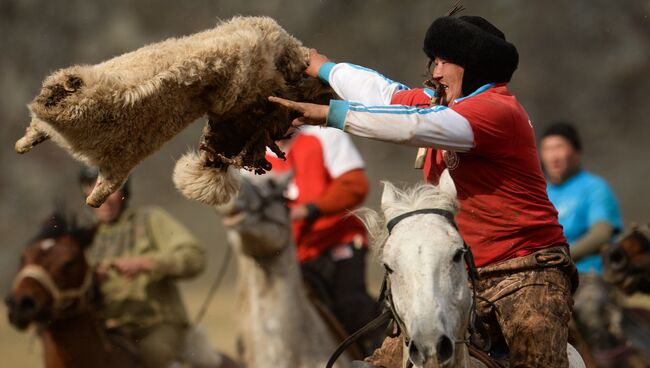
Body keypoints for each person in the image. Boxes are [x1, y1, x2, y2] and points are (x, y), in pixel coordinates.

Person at [269, 15, 577, 368]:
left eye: (445, 61)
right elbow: (386, 95)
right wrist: (323, 68)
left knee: (539, 362)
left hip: (528, 273)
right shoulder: (445, 106)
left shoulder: (496, 111)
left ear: (473, 67)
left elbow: (412, 125)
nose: (436, 71)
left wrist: (328, 115)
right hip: (458, 275)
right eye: (435, 60)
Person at [265, 125, 382, 353]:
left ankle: (384, 357)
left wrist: (310, 209)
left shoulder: (324, 134)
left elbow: (355, 185)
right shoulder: (249, 156)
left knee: (351, 305)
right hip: (289, 255)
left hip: (338, 240)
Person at [79, 166, 206, 368]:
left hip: (157, 327)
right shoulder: (82, 237)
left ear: (124, 189)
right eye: (91, 186)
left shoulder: (151, 219)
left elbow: (195, 258)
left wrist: (148, 263)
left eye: (111, 187)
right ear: (85, 191)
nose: (104, 197)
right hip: (105, 328)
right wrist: (91, 279)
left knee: (152, 355)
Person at [540, 122, 625, 365]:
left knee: (591, 309)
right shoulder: (539, 190)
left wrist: (561, 256)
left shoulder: (594, 188)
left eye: (559, 147)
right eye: (547, 149)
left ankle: (610, 362)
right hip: (545, 275)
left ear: (575, 152)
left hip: (586, 274)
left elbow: (602, 232)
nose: (553, 156)